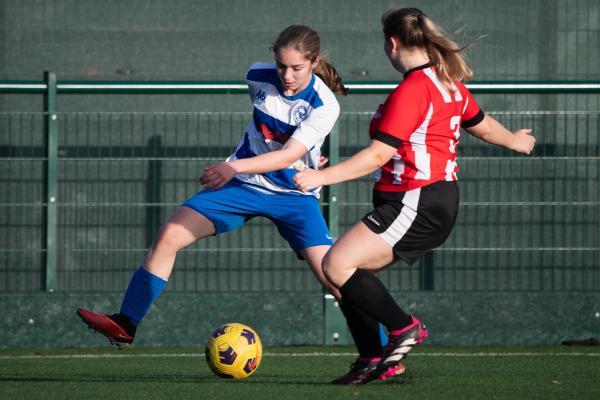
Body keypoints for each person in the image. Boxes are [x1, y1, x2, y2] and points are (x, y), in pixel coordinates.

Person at [294, 7, 536, 384]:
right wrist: (516, 142)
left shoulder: (415, 88)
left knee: (335, 265)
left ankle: (404, 328)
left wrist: (319, 176)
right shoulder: (447, 82)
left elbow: (377, 154)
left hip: (417, 200)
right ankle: (372, 360)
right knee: (346, 277)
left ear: (392, 44)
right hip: (425, 201)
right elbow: (482, 125)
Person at [76, 24, 354, 348]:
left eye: (297, 68)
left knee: (333, 277)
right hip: (245, 184)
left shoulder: (325, 104)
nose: (287, 75)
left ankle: (383, 346)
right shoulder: (257, 76)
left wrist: (232, 166)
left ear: (315, 61)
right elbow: (272, 137)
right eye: (281, 66)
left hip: (294, 195)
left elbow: (287, 156)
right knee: (169, 236)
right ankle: (126, 324)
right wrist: (241, 168)